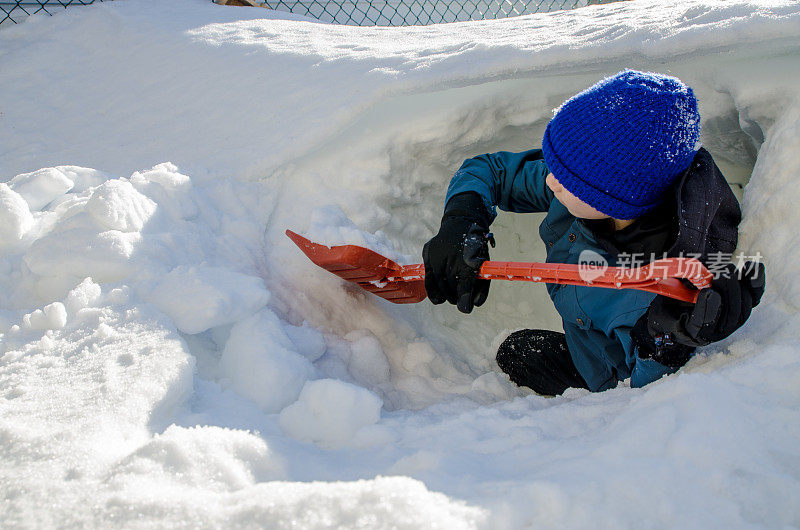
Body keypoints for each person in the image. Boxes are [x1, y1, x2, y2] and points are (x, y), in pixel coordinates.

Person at [422, 70, 765, 395]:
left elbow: (648, 397)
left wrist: (663, 341)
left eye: (565, 177)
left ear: (616, 199)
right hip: (588, 348)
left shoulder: (659, 285)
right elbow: (493, 172)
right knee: (517, 351)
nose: (550, 180)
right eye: (555, 167)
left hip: (616, 385)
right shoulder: (587, 186)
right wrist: (463, 218)